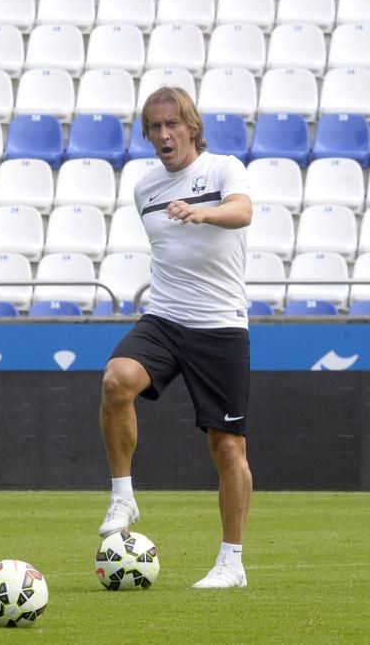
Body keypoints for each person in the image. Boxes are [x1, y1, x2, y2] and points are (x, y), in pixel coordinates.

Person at [97, 86, 255, 589]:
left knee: (228, 449)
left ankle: (232, 563)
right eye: (154, 127)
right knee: (117, 380)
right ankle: (123, 495)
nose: (163, 135)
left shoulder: (224, 169)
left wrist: (202, 211)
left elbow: (243, 211)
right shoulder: (143, 189)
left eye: (171, 125)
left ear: (191, 126)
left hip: (220, 325)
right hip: (165, 318)